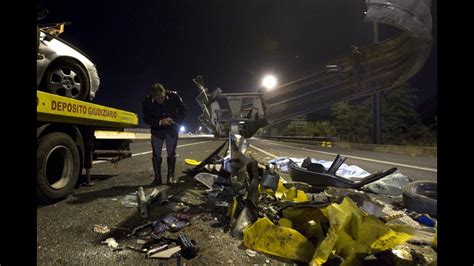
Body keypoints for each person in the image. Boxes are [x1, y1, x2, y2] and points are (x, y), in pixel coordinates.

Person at [142, 82, 186, 186]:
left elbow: (183, 109)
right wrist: (160, 122)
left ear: (164, 92)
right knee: (156, 154)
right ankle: (158, 178)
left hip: (171, 130)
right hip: (157, 131)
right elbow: (146, 118)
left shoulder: (174, 96)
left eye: (162, 97)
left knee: (171, 152)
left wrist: (177, 123)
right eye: (158, 99)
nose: (161, 100)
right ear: (153, 96)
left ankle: (170, 177)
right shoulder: (146, 101)